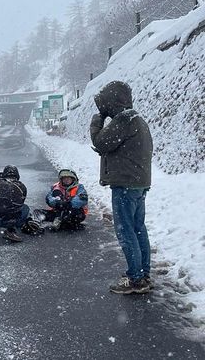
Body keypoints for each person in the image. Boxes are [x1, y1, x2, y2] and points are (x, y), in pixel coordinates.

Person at [90, 80, 153, 295]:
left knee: (126, 230)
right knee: (138, 229)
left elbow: (101, 142)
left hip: (125, 184)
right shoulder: (138, 120)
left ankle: (135, 279)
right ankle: (143, 274)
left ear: (112, 101)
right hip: (139, 183)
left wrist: (97, 120)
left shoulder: (124, 120)